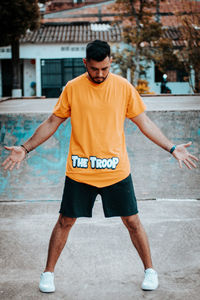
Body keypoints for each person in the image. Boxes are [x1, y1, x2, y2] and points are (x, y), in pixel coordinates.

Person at [2, 40, 198, 293]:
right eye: (94, 69)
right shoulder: (72, 88)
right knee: (65, 221)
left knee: (132, 221)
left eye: (105, 69)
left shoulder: (123, 88)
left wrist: (172, 147)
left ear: (110, 63)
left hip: (116, 169)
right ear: (85, 63)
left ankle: (150, 269)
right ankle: (48, 273)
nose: (100, 74)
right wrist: (26, 148)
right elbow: (53, 121)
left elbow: (144, 122)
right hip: (80, 169)